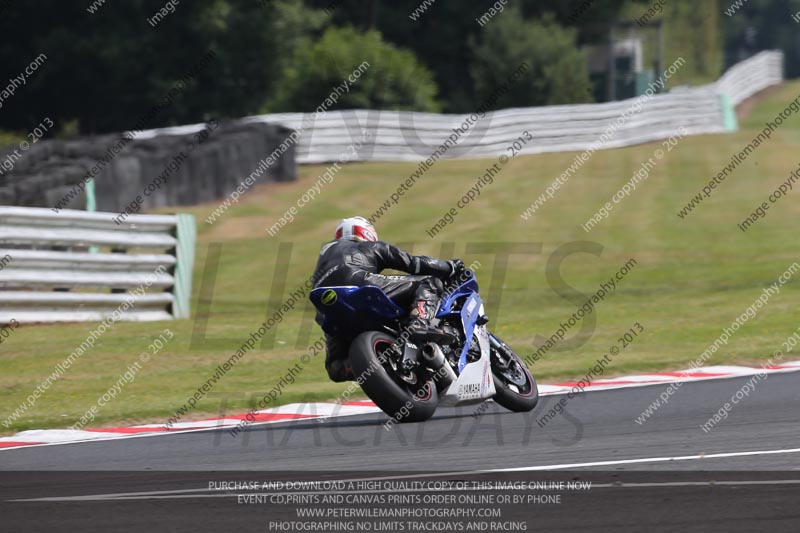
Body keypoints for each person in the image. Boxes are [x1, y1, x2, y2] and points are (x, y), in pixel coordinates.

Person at [312, 216, 464, 382]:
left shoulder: (324, 256)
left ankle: (357, 365)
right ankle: (420, 321)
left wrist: (361, 361)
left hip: (328, 307)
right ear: (366, 232)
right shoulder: (367, 246)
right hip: (359, 285)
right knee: (427, 281)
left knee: (335, 367)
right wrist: (450, 266)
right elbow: (414, 263)